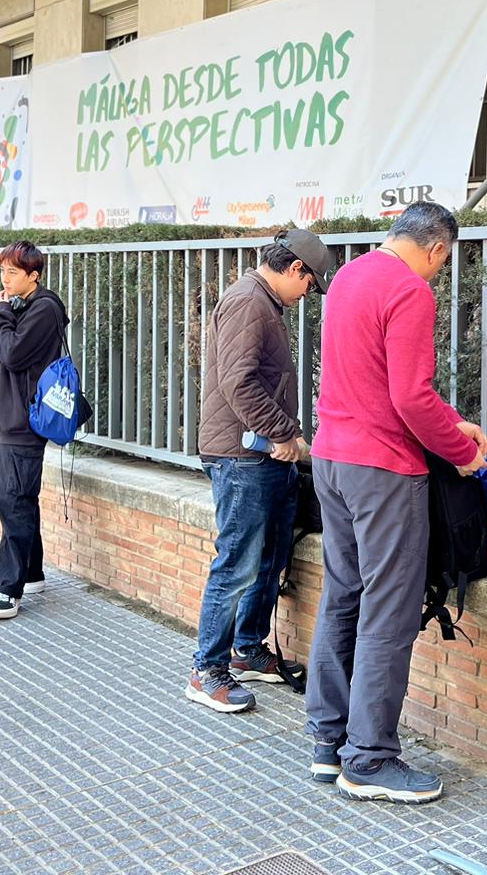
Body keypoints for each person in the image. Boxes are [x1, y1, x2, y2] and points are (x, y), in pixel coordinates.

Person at [305, 202, 487, 803]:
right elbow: (410, 396)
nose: (438, 272)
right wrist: (462, 450)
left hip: (332, 459)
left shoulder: (350, 276)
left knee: (344, 597)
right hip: (382, 471)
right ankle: (371, 759)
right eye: (443, 262)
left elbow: (368, 382)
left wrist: (450, 426)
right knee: (388, 611)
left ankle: (329, 743)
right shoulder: (410, 290)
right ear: (437, 250)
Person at [187, 230, 336, 715]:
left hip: (260, 456)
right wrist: (284, 435)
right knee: (238, 563)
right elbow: (238, 382)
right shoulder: (250, 302)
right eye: (311, 285)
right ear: (296, 269)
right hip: (243, 456)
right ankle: (207, 670)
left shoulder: (262, 301)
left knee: (269, 557)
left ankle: (247, 649)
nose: (308, 295)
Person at [0, 241, 69, 621]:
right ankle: (31, 572)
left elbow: (14, 352)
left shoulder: (45, 309)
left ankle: (9, 589)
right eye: (2, 271)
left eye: (12, 272)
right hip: (7, 420)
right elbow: (13, 364)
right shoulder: (24, 308)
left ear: (34, 275)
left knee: (12, 500)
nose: (5, 279)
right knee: (18, 498)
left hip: (23, 425)